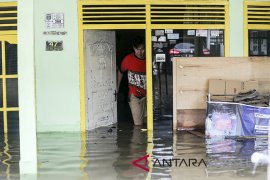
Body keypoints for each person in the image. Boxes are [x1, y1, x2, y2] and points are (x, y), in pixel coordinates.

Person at [117, 36, 147, 126]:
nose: (140, 52)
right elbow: (120, 72)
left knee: (148, 123)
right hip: (134, 96)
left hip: (148, 95)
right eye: (137, 49)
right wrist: (117, 88)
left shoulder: (149, 58)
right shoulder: (128, 59)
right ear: (134, 48)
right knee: (138, 124)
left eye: (142, 49)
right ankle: (138, 140)